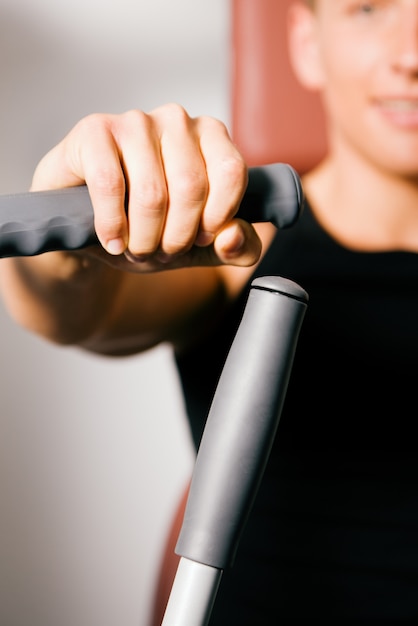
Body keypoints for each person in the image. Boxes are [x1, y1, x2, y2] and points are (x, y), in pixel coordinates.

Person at [2, 0, 418, 621]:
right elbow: (79, 309)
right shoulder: (244, 250)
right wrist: (73, 232)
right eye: (366, 10)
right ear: (306, 43)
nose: (411, 56)